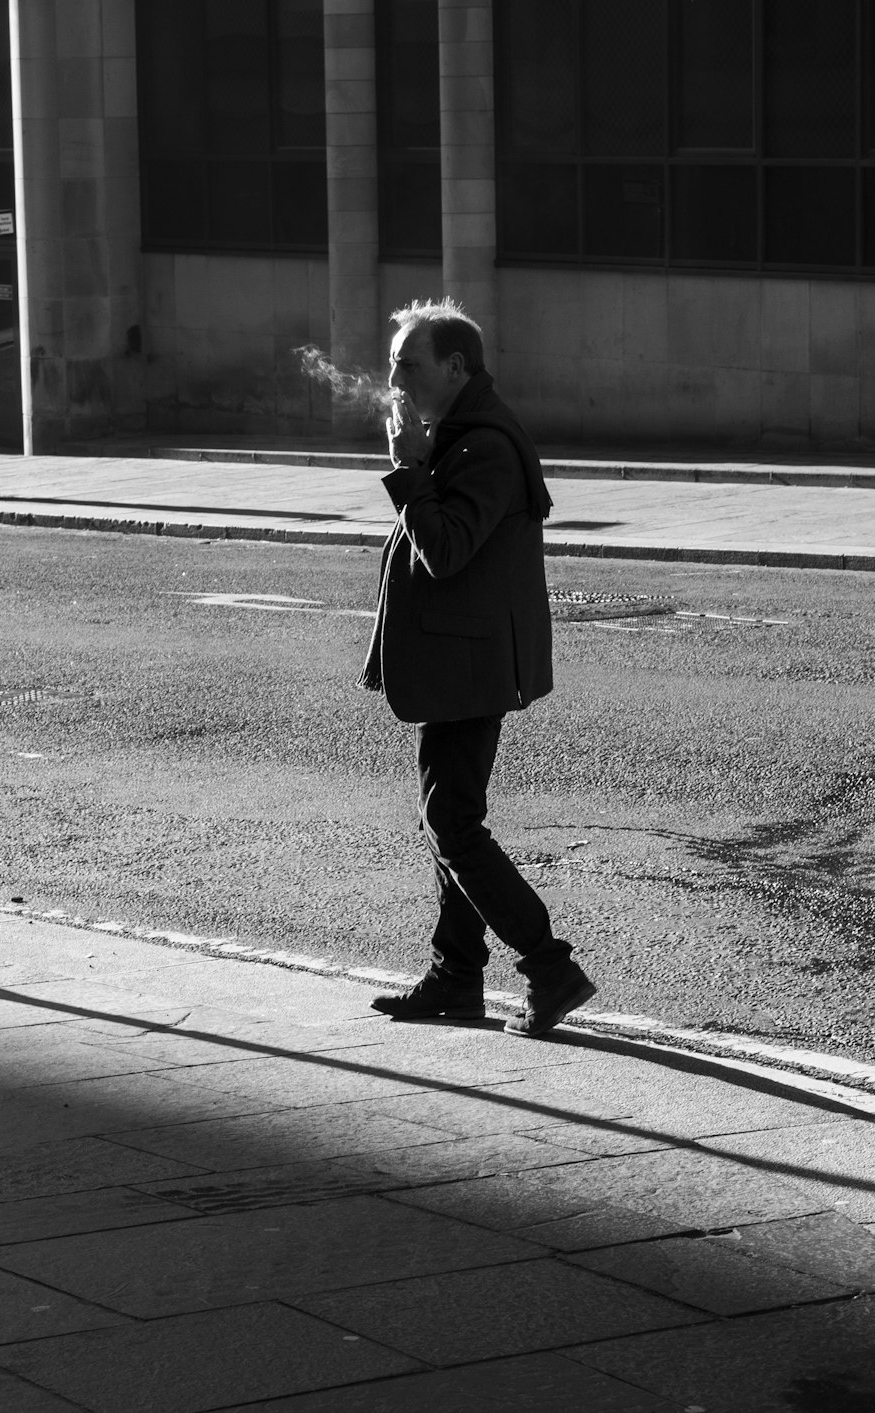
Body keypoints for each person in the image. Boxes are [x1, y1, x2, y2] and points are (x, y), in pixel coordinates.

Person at [358, 298, 596, 1038]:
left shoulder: (483, 444)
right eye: (394, 363)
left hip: (473, 665)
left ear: (455, 367)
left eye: (409, 363)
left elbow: (447, 548)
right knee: (449, 817)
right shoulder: (461, 433)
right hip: (461, 658)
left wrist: (407, 471)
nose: (395, 377)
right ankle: (456, 976)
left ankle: (549, 966)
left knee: (452, 821)